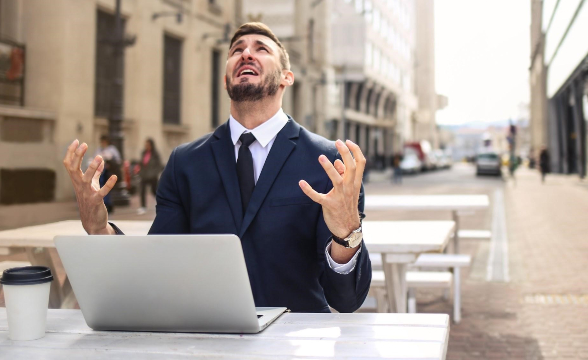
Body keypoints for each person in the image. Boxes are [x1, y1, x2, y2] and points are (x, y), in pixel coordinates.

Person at [63, 22, 371, 313]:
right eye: (237, 50)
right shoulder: (185, 163)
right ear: (226, 80)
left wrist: (347, 232)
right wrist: (98, 229)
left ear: (286, 78)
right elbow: (156, 268)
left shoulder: (330, 163)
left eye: (261, 49)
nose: (246, 53)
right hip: (207, 339)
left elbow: (346, 299)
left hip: (294, 343)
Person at [95, 135, 122, 213]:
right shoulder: (99, 150)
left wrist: (110, 160)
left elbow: (117, 160)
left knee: (108, 188)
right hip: (101, 172)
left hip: (108, 172)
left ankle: (108, 204)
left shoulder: (112, 149)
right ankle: (102, 203)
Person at [137, 138, 163, 215]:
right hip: (144, 175)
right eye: (146, 144)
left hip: (152, 176)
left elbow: (159, 165)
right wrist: (140, 172)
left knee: (154, 191)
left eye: (148, 144)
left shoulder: (155, 154)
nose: (146, 146)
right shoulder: (143, 153)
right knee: (142, 191)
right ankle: (143, 207)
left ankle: (161, 204)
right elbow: (141, 164)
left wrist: (154, 173)